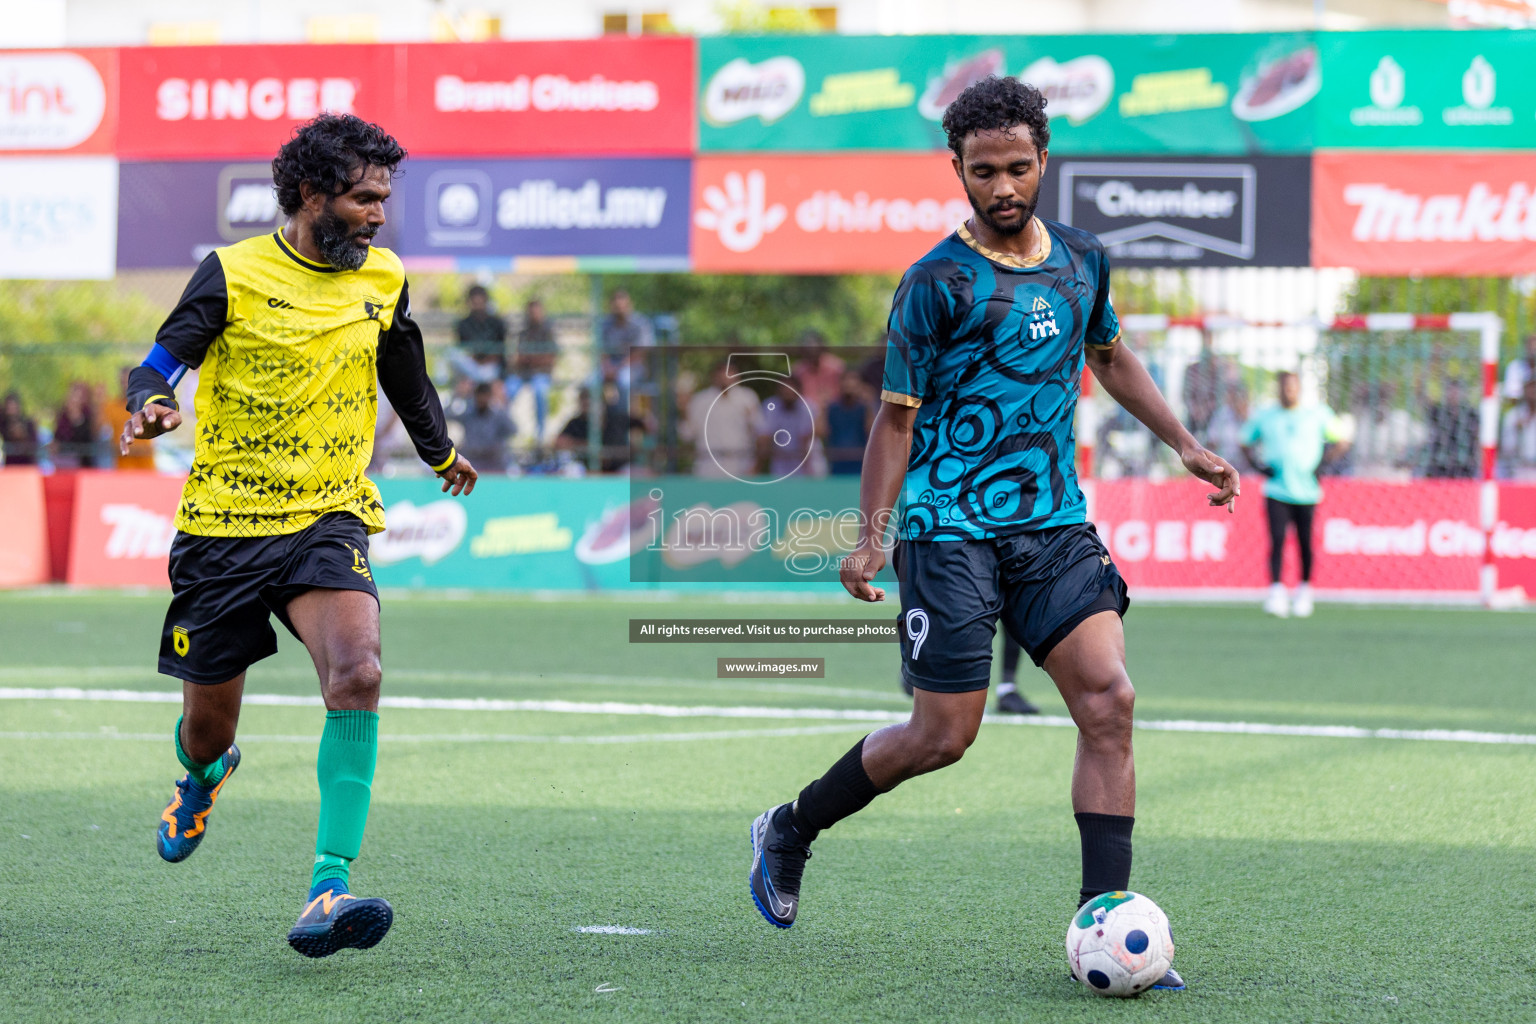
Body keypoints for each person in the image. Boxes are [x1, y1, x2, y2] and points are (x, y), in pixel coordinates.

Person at [746, 78, 1238, 999]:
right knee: (943, 735)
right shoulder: (933, 283)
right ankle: (791, 826)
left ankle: (1106, 918)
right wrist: (869, 537)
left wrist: (1184, 442)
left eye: (1018, 167)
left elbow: (1109, 353)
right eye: (984, 172)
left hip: (1051, 524)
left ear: (1044, 160)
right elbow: (896, 421)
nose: (1003, 186)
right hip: (948, 527)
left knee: (1110, 702)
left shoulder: (1084, 259)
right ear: (958, 171)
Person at [120, 113, 477, 959]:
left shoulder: (382, 279)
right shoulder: (232, 274)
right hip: (223, 533)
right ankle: (206, 773)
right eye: (363, 198)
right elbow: (158, 365)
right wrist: (150, 404)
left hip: (326, 518)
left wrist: (443, 454)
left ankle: (328, 885)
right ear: (311, 194)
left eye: (385, 198)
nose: (379, 214)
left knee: (359, 671)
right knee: (207, 728)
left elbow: (406, 375)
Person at [1240, 371, 1348, 619]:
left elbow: (1342, 440)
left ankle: (1304, 590)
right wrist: (1257, 466)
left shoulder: (1316, 414)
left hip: (1307, 491)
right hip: (1277, 489)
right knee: (1277, 539)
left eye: (1292, 387)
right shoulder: (1266, 415)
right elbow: (1244, 440)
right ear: (1279, 389)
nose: (1288, 391)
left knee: (1305, 542)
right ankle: (1276, 591)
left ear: (1299, 389)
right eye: (1284, 387)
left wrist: (1324, 464)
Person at [682, 360, 763, 479]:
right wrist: (684, 410)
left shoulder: (747, 398)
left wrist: (755, 466)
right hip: (708, 467)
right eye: (721, 372)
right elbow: (687, 435)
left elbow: (760, 431)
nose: (725, 376)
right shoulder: (700, 400)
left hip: (741, 466)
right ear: (713, 375)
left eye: (730, 372)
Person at [556, 384, 646, 473]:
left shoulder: (617, 418)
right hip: (587, 471)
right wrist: (588, 447)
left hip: (620, 468)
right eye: (584, 401)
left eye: (591, 401)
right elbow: (559, 441)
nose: (588, 406)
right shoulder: (576, 423)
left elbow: (645, 425)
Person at [509, 298, 557, 442]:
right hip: (523, 374)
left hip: (541, 374)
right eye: (531, 312)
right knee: (507, 390)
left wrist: (531, 358)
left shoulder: (548, 332)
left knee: (540, 392)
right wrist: (532, 358)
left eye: (537, 311)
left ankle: (540, 436)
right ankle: (506, 434)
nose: (534, 315)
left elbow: (550, 359)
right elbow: (517, 359)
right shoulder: (523, 333)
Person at [597, 290, 654, 401]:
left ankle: (625, 415)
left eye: (622, 306)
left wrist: (617, 369)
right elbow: (600, 349)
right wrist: (607, 367)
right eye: (616, 307)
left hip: (633, 367)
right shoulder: (605, 324)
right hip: (609, 367)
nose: (620, 310)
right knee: (591, 382)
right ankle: (601, 415)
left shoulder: (641, 324)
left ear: (629, 305)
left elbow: (641, 353)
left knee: (624, 381)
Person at [759, 375, 819, 479]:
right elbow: (765, 437)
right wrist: (757, 467)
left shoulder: (807, 407)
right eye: (784, 388)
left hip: (806, 461)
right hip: (780, 462)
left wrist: (808, 469)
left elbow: (804, 440)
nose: (787, 391)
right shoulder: (770, 406)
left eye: (791, 388)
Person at [1421, 378, 1480, 479]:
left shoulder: (1471, 414)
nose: (1453, 394)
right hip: (1440, 463)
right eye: (1450, 390)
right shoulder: (1439, 412)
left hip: (1464, 464)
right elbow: (1423, 403)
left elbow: (1476, 438)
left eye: (1456, 391)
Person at [451, 381, 516, 474]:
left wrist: (502, 404)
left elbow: (513, 429)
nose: (482, 399)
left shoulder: (498, 414)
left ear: (489, 397)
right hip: (472, 460)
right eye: (479, 396)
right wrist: (458, 395)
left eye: (485, 396)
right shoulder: (467, 413)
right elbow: (446, 415)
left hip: (494, 462)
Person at [450, 284, 507, 384]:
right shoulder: (463, 324)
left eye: (480, 302)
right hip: (472, 365)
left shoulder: (496, 323)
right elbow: (464, 349)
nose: (478, 306)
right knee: (452, 354)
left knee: (485, 375)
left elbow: (500, 350)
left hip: (491, 367)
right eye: (474, 303)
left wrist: (486, 360)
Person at [103, 367, 157, 470]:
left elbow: (152, 446)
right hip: (122, 470)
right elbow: (104, 437)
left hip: (146, 470)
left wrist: (131, 449)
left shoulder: (148, 405)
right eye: (122, 381)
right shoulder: (111, 406)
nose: (125, 385)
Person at [823, 372, 872, 476]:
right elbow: (820, 431)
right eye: (846, 384)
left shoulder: (864, 408)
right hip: (837, 461)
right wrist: (822, 407)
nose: (849, 387)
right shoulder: (832, 408)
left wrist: (869, 405)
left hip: (859, 461)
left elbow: (871, 431)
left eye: (853, 385)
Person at [793, 330, 846, 413]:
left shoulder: (836, 366)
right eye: (808, 349)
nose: (812, 351)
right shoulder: (799, 370)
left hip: (834, 411)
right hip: (808, 413)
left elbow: (844, 392)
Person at [53, 381, 99, 469]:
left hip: (83, 464)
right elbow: (58, 436)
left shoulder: (88, 416)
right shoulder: (62, 416)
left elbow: (87, 438)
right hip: (63, 463)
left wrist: (77, 420)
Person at [1499, 380, 1536, 480]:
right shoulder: (1513, 416)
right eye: (1531, 387)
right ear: (1524, 390)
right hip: (1519, 470)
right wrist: (1517, 430)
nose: (1533, 391)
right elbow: (1506, 448)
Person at [1, 391, 40, 466]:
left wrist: (23, 436)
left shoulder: (28, 424)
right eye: (9, 407)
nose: (11, 410)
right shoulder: (4, 423)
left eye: (13, 406)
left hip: (27, 464)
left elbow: (34, 445)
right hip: (10, 465)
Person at [1500, 334, 1536, 402]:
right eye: (1531, 348)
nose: (1533, 353)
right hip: (1522, 408)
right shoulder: (1515, 366)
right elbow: (1511, 396)